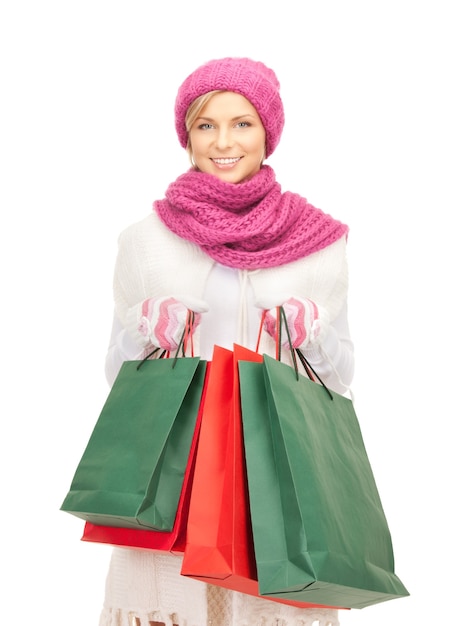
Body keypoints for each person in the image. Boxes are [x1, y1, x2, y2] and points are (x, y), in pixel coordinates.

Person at [100, 57, 354, 626]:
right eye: (205, 125)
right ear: (186, 137)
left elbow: (339, 379)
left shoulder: (319, 244)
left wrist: (309, 332)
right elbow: (116, 376)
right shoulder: (144, 242)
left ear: (268, 132)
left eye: (242, 123)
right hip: (176, 467)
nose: (223, 142)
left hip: (275, 465)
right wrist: (146, 324)